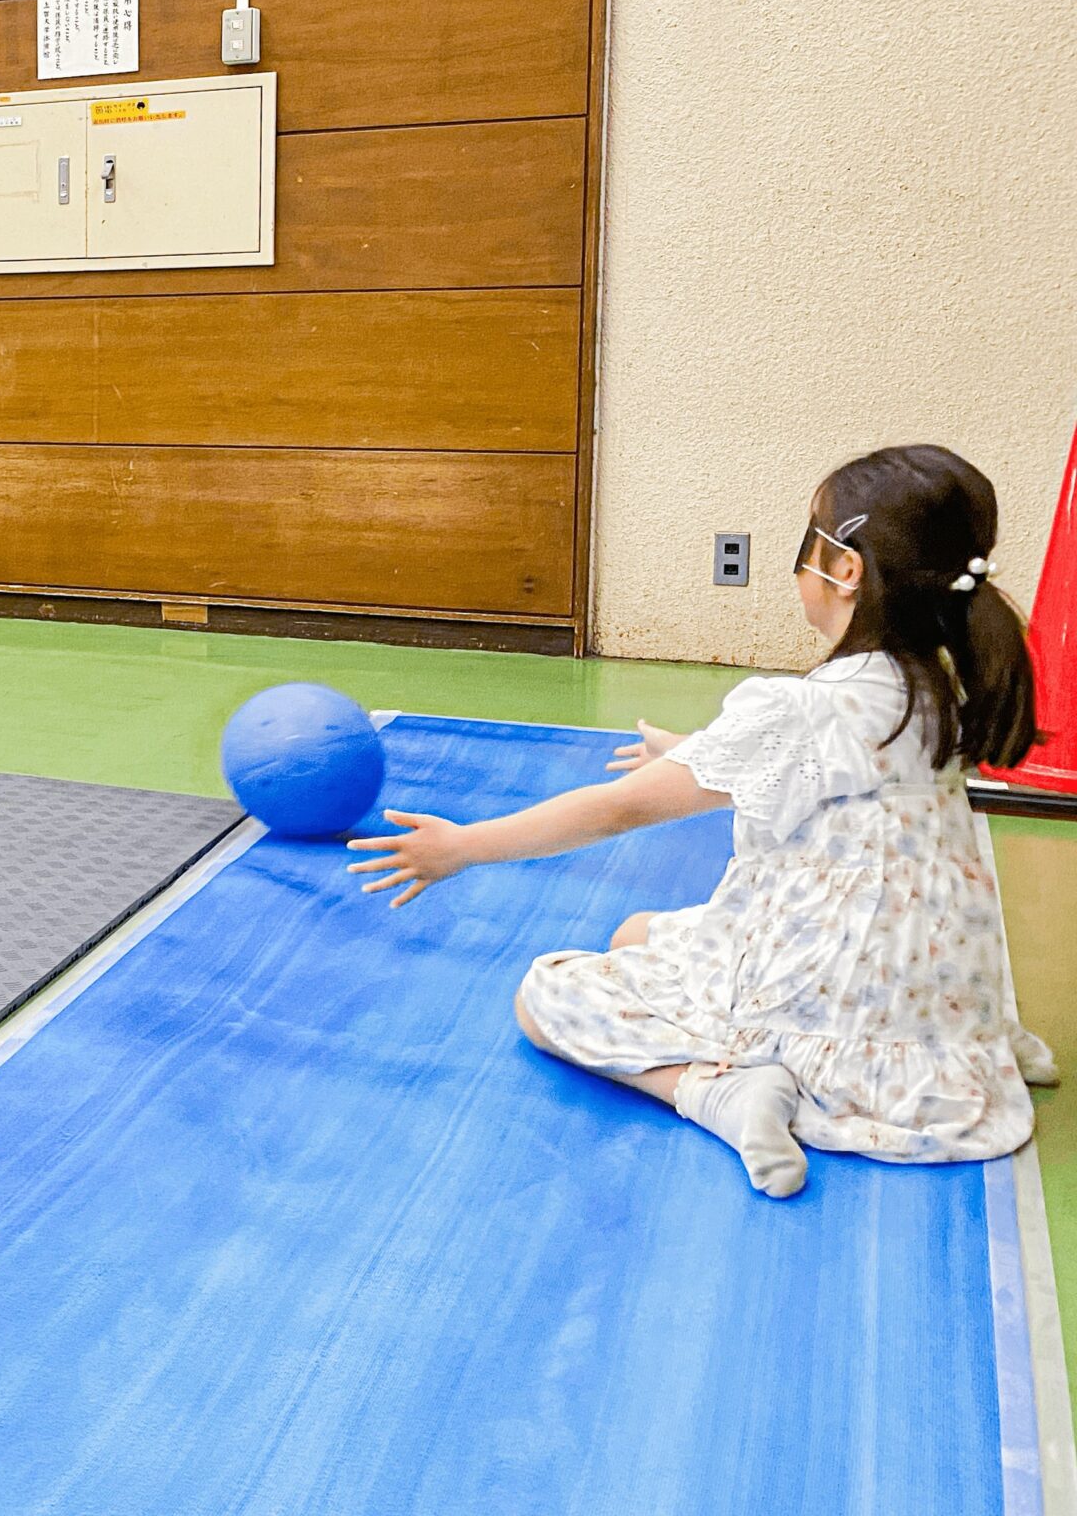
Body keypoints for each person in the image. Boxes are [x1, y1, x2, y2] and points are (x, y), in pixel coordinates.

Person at [350, 445, 1053, 1199]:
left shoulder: (797, 709)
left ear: (844, 569)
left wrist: (462, 847)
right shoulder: (941, 685)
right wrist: (698, 751)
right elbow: (846, 776)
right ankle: (933, 1049)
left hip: (829, 996)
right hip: (934, 996)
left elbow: (619, 808)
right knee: (637, 931)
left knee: (543, 995)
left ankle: (715, 1091)